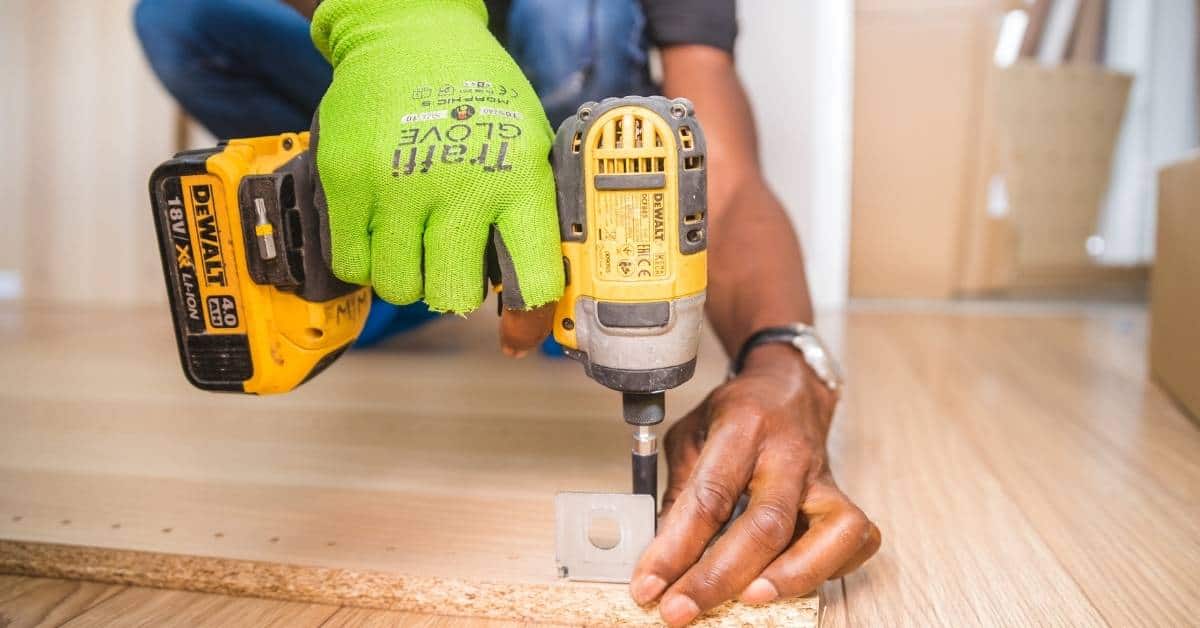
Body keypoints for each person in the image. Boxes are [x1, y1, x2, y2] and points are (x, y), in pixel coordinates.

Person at [134, 1, 880, 625]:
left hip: (557, 110)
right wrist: (391, 20)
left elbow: (727, 178)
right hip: (399, 76)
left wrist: (785, 357)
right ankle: (397, 250)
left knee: (570, 13)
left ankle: (547, 261)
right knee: (182, 16)